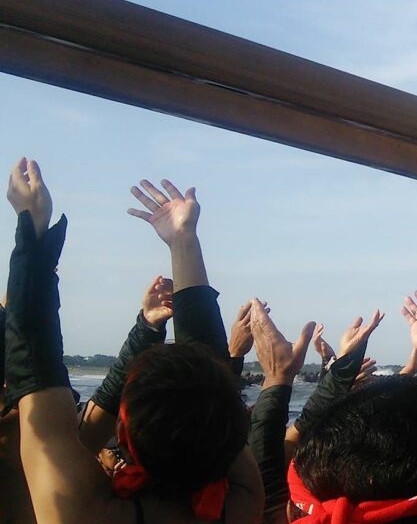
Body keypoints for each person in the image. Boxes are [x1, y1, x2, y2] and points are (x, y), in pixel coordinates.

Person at [5, 160, 263, 524]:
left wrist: (29, 232)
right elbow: (212, 392)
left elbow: (38, 385)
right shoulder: (242, 502)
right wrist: (184, 240)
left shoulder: (84, 512)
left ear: (123, 432)